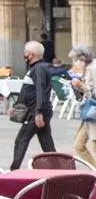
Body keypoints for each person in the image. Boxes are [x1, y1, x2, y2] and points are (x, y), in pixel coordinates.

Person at [9, 41, 56, 170]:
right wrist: (16, 104)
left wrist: (38, 112)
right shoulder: (36, 68)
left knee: (21, 140)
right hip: (38, 110)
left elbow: (41, 91)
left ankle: (14, 171)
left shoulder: (39, 68)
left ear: (31, 54)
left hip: (35, 111)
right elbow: (27, 90)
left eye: (25, 52)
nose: (24, 54)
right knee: (46, 143)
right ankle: (59, 169)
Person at [69, 46, 96, 169]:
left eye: (76, 59)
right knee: (79, 145)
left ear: (83, 57)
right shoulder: (88, 68)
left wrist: (82, 85)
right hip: (89, 111)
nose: (75, 62)